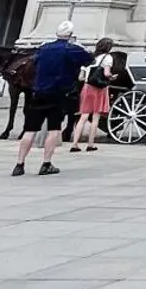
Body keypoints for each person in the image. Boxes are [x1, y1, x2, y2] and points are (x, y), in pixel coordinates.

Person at [15, 24, 90, 176]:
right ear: (70, 35)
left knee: (29, 130)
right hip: (59, 93)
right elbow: (89, 59)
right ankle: (46, 163)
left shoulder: (44, 48)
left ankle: (19, 164)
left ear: (56, 33)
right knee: (54, 129)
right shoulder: (71, 49)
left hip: (39, 92)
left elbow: (34, 62)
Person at [69, 40, 118, 152]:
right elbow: (106, 73)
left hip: (87, 88)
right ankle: (90, 144)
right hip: (99, 89)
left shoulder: (89, 58)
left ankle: (75, 144)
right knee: (95, 117)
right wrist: (112, 77)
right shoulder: (107, 58)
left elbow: (80, 77)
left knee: (83, 116)